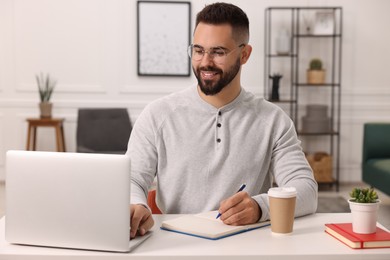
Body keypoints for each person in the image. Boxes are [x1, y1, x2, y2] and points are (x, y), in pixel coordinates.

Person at [127, 2, 318, 238]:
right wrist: (137, 204)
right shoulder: (157, 114)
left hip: (248, 243)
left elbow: (307, 190)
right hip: (173, 243)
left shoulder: (274, 121)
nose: (205, 62)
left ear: (245, 54)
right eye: (198, 50)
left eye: (218, 52)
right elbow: (132, 178)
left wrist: (261, 207)